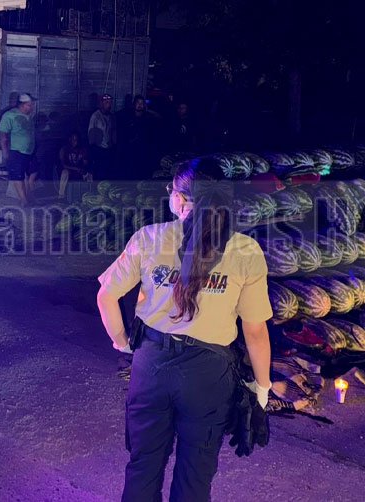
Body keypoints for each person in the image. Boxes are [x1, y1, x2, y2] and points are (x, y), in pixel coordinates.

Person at [96, 158, 274, 502]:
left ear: (178, 198)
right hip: (208, 376)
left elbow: (106, 297)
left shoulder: (149, 238)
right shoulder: (245, 250)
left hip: (152, 365)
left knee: (143, 467)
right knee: (195, 477)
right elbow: (255, 332)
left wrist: (124, 344)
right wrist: (262, 388)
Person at [0, 93, 37, 205]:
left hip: (30, 151)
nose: (32, 107)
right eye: (29, 105)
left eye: (32, 105)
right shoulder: (9, 116)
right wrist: (5, 152)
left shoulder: (28, 116)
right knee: (18, 176)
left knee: (34, 172)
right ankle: (23, 199)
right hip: (17, 151)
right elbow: (3, 136)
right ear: (22, 105)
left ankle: (29, 195)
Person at [117, 95, 158, 180]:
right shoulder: (127, 117)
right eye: (138, 103)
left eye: (142, 103)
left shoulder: (148, 118)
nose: (140, 105)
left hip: (143, 152)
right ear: (134, 104)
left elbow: (151, 135)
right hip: (130, 151)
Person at [87, 94, 116, 178]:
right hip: (98, 149)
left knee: (108, 172)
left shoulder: (112, 117)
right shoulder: (95, 116)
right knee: (99, 172)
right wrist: (93, 150)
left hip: (109, 150)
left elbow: (114, 132)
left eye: (110, 102)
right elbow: (91, 133)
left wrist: (114, 145)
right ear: (101, 103)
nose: (108, 104)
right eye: (106, 102)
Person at [58, 132, 90, 200]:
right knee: (64, 172)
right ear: (70, 139)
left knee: (89, 174)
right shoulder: (64, 149)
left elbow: (85, 163)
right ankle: (61, 196)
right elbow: (63, 165)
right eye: (73, 140)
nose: (75, 142)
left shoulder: (82, 150)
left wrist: (84, 170)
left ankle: (90, 197)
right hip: (69, 170)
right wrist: (75, 169)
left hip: (79, 170)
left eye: (77, 140)